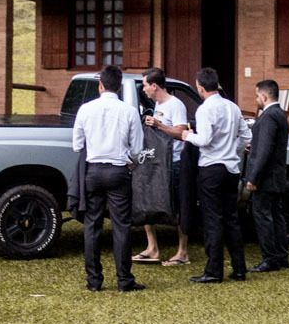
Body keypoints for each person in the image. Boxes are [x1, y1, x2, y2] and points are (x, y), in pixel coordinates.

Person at [73, 64, 146, 292]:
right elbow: (137, 148)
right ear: (119, 87)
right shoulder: (129, 111)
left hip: (93, 171)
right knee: (121, 226)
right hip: (118, 171)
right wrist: (129, 159)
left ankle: (94, 280)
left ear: (100, 85)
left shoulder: (85, 109)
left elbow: (77, 145)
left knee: (92, 225)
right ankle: (124, 280)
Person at [178, 67, 251, 283]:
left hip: (211, 168)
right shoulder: (232, 107)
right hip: (231, 169)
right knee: (232, 219)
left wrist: (188, 136)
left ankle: (213, 270)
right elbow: (246, 135)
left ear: (200, 87)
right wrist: (232, 150)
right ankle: (239, 268)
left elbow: (205, 140)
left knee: (212, 220)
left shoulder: (204, 109)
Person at [132, 67, 191, 266]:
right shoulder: (157, 104)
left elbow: (181, 133)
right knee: (147, 199)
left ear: (155, 85)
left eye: (146, 85)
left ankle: (182, 252)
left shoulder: (176, 105)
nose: (144, 90)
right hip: (156, 161)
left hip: (174, 162)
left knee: (177, 205)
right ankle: (152, 248)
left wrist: (159, 125)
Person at [246, 79, 289, 271]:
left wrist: (253, 177)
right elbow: (268, 146)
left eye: (257, 95)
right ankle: (281, 256)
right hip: (277, 174)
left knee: (263, 216)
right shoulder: (280, 114)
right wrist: (253, 148)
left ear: (264, 96)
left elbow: (265, 149)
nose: (256, 99)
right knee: (276, 216)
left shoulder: (268, 116)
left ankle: (270, 258)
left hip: (266, 176)